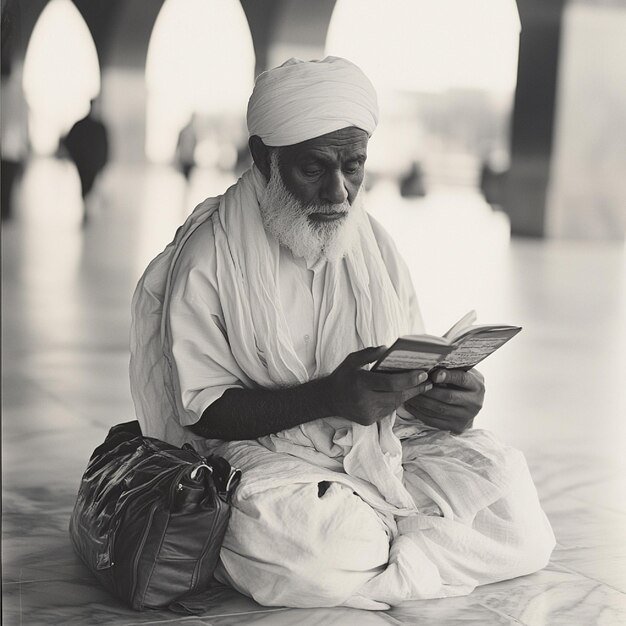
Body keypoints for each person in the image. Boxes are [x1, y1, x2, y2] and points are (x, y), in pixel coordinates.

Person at [130, 57, 554, 610]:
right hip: (260, 456)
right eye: (314, 168)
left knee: (514, 501)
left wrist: (448, 400)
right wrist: (328, 397)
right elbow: (201, 412)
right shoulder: (210, 256)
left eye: (353, 167)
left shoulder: (372, 244)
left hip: (377, 445)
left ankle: (377, 547)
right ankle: (394, 545)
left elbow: (404, 367)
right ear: (265, 157)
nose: (339, 191)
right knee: (306, 542)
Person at [61, 99, 109, 223]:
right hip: (83, 164)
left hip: (92, 164)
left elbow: (105, 147)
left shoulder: (99, 127)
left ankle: (87, 209)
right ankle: (85, 209)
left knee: (88, 187)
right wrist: (75, 157)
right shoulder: (82, 125)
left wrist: (103, 162)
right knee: (84, 187)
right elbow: (69, 142)